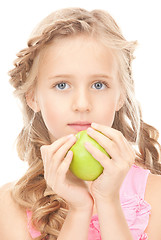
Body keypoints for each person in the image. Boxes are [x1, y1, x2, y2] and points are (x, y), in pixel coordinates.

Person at [0, 7, 161, 240]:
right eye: (62, 85)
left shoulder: (154, 195)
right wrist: (79, 209)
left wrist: (108, 201)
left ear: (120, 95)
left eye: (98, 85)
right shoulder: (11, 203)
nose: (82, 104)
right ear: (33, 97)